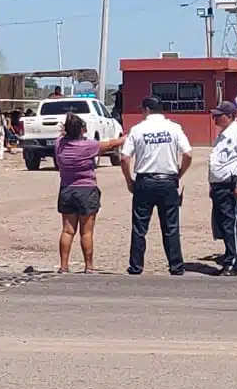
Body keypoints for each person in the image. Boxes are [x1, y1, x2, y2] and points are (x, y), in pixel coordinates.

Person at [119, 96, 192, 275]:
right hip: (168, 180)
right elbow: (188, 154)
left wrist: (129, 180)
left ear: (146, 110)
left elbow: (124, 157)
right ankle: (176, 265)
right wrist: (179, 174)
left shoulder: (137, 130)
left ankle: (136, 266)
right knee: (171, 226)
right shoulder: (174, 128)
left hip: (145, 180)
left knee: (140, 227)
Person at [53, 113, 125, 273]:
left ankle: (64, 266)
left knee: (67, 230)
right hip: (86, 189)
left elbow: (61, 136)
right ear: (81, 130)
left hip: (66, 189)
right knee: (86, 232)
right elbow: (113, 143)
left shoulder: (59, 145)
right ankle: (89, 266)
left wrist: (65, 131)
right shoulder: (88, 146)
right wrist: (129, 135)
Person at [207, 101, 237, 277]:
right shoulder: (222, 135)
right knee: (222, 225)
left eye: (219, 116)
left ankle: (234, 262)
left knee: (230, 225)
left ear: (230, 116)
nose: (215, 119)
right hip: (219, 186)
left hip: (231, 186)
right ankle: (228, 257)